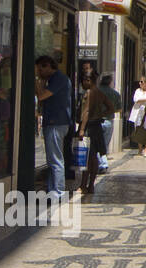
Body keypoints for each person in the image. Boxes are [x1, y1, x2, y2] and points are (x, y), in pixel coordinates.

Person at [34, 56, 73, 195]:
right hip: (54, 122)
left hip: (56, 123)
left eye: (40, 69)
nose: (39, 72)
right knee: (52, 159)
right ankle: (53, 189)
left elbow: (42, 96)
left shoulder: (58, 79)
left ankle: (58, 191)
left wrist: (38, 84)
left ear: (48, 66)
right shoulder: (53, 79)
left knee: (55, 158)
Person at [77, 74, 110, 194]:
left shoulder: (90, 93)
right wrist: (100, 115)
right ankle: (90, 185)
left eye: (85, 80)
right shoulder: (99, 93)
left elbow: (86, 111)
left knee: (86, 158)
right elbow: (111, 107)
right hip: (96, 127)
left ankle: (84, 185)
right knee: (93, 158)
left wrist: (82, 129)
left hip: (89, 128)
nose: (83, 82)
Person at [98, 74, 123, 155]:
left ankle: (99, 162)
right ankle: (103, 162)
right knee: (105, 144)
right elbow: (119, 109)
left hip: (96, 121)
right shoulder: (115, 94)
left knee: (96, 144)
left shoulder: (95, 91)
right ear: (110, 82)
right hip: (108, 121)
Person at [128, 75, 146, 158]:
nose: (140, 83)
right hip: (138, 113)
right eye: (140, 81)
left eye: (142, 82)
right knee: (138, 130)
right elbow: (136, 100)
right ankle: (140, 149)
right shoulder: (137, 91)